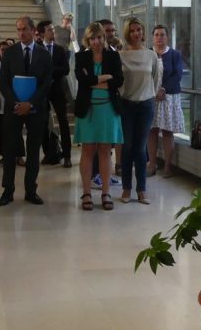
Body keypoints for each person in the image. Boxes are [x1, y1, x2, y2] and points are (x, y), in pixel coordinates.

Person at [0, 16, 52, 206]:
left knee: (33, 150)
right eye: (18, 29)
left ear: (33, 29)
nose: (20, 33)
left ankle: (31, 190)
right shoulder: (10, 53)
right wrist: (16, 104)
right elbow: (3, 82)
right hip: (13, 108)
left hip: (36, 108)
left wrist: (31, 104)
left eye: (24, 29)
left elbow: (46, 83)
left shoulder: (44, 54)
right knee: (10, 149)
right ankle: (8, 190)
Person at [74, 22, 123, 211]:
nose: (96, 42)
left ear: (104, 38)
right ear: (88, 40)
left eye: (100, 37)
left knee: (105, 151)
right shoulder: (81, 57)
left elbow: (119, 80)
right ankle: (87, 193)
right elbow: (82, 81)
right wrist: (105, 78)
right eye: (93, 38)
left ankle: (105, 192)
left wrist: (94, 81)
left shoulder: (112, 55)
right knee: (87, 150)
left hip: (108, 109)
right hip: (88, 110)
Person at [118, 18, 158, 204]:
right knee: (127, 148)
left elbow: (156, 78)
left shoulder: (151, 55)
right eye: (132, 30)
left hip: (145, 105)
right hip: (127, 105)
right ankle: (126, 188)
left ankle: (141, 189)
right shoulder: (121, 55)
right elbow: (118, 81)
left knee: (141, 149)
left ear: (143, 32)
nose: (136, 33)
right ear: (128, 33)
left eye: (139, 30)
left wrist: (151, 95)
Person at [148, 25, 185, 178]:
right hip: (151, 97)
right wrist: (153, 90)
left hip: (169, 98)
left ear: (167, 37)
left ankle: (168, 167)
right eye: (156, 35)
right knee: (152, 131)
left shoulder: (175, 55)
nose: (159, 38)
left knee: (167, 132)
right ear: (153, 37)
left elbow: (177, 75)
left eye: (162, 34)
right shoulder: (148, 54)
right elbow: (144, 74)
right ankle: (151, 164)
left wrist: (163, 89)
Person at [37, 20, 72, 167]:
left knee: (63, 122)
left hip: (58, 90)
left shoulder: (60, 49)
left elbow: (66, 69)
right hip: (43, 91)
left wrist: (50, 72)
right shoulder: (37, 49)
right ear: (42, 33)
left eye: (53, 29)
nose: (53, 31)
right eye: (49, 30)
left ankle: (67, 155)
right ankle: (49, 154)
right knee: (43, 123)